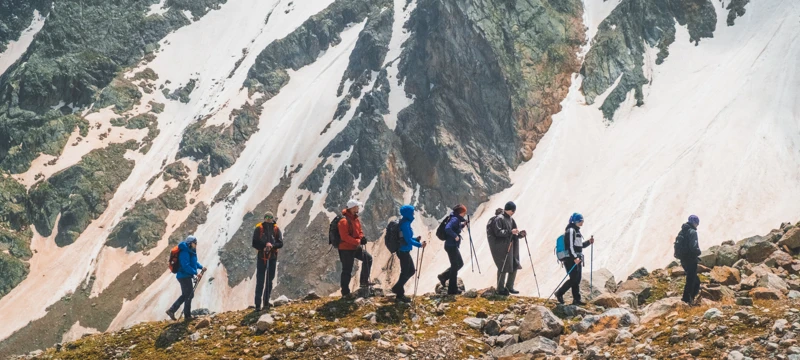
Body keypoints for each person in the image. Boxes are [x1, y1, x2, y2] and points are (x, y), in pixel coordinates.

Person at [555, 213, 595, 305]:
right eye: (581, 221)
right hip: (571, 259)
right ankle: (560, 293)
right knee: (574, 279)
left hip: (576, 258)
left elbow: (579, 246)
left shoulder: (575, 231)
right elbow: (570, 246)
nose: (582, 223)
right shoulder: (571, 231)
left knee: (577, 279)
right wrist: (575, 257)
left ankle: (576, 299)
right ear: (576, 221)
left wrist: (589, 242)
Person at [391, 205, 427, 303]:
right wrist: (419, 244)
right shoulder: (405, 224)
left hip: (403, 250)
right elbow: (407, 239)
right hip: (403, 251)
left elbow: (405, 238)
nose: (413, 213)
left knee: (409, 271)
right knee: (407, 271)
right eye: (411, 212)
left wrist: (415, 239)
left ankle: (398, 290)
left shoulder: (404, 223)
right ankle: (398, 291)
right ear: (407, 213)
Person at [338, 199, 373, 297]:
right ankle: (345, 292)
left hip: (354, 247)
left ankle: (363, 282)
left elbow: (359, 230)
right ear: (352, 208)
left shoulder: (355, 218)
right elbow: (344, 237)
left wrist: (362, 237)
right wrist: (358, 241)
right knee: (347, 270)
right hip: (346, 249)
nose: (358, 208)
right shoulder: (343, 221)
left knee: (368, 258)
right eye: (357, 206)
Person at [488, 201, 524, 296]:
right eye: (513, 210)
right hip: (501, 247)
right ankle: (500, 289)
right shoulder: (499, 219)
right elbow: (498, 232)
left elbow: (513, 233)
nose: (513, 212)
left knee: (514, 264)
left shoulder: (510, 219)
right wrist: (510, 232)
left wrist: (519, 234)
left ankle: (509, 286)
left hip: (510, 246)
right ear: (510, 210)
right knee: (503, 266)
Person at [166, 236, 206, 321]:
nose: (196, 244)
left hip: (185, 276)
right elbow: (185, 266)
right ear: (190, 243)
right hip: (184, 276)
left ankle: (172, 310)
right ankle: (187, 316)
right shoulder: (185, 252)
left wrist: (201, 267)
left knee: (186, 295)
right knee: (189, 295)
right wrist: (195, 273)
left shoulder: (189, 251)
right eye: (195, 243)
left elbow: (193, 263)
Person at [252, 211, 283, 312]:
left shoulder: (276, 229)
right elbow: (254, 242)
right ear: (264, 218)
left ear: (272, 218)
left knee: (269, 281)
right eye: (267, 217)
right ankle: (257, 305)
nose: (268, 218)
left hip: (272, 257)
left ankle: (266, 303)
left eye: (270, 217)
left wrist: (272, 246)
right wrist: (264, 246)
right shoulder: (259, 228)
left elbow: (280, 243)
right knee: (260, 281)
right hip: (262, 258)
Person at [437, 204, 467, 295]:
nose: (465, 214)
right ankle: (452, 289)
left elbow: (454, 227)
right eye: (464, 213)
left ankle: (444, 276)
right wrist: (455, 236)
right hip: (451, 245)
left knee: (459, 264)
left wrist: (462, 225)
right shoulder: (455, 219)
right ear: (461, 212)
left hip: (451, 245)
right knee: (455, 266)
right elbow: (448, 228)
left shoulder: (455, 218)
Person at [678, 215, 702, 305]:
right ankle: (687, 300)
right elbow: (694, 247)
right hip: (691, 259)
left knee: (693, 279)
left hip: (683, 259)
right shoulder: (692, 232)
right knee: (692, 280)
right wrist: (698, 252)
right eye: (697, 223)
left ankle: (689, 299)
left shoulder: (682, 231)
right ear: (695, 222)